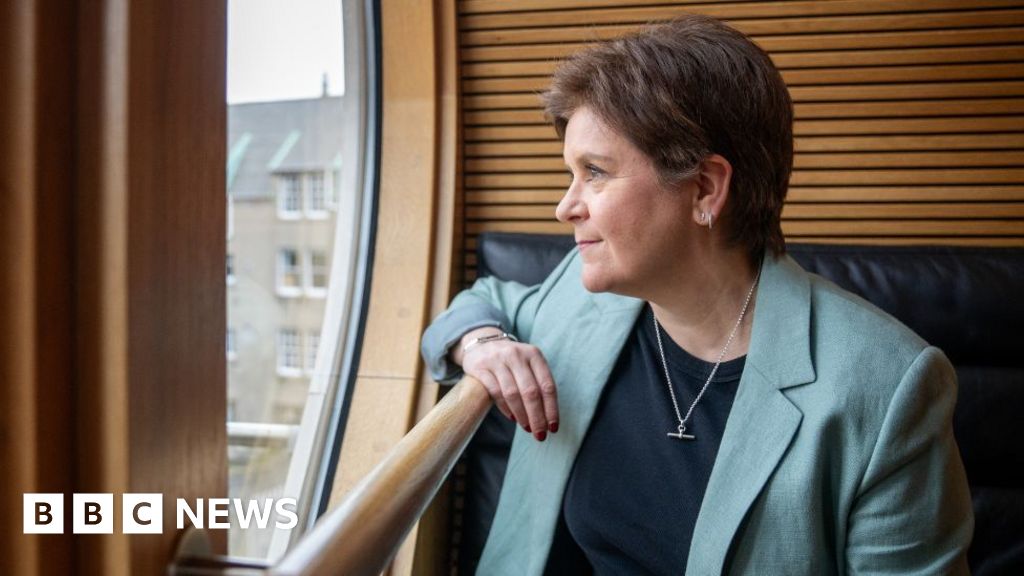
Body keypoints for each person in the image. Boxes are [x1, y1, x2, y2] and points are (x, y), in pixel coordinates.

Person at [422, 14, 973, 576]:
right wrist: (483, 343)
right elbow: (481, 301)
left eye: (595, 172)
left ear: (705, 189)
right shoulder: (580, 294)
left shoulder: (890, 387)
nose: (566, 207)